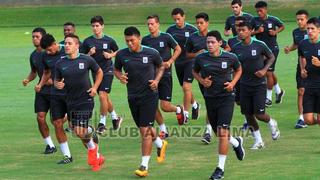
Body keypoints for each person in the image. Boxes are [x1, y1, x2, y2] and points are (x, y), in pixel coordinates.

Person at [114, 26, 167, 177]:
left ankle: (144, 166)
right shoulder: (122, 54)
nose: (129, 43)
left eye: (132, 40)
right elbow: (116, 69)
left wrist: (156, 80)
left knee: (144, 131)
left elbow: (161, 65)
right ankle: (160, 143)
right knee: (145, 129)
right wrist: (120, 77)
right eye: (127, 41)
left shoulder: (151, 53)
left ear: (139, 39)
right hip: (132, 96)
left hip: (149, 96)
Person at [192, 30, 244, 180]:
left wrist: (233, 83)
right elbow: (195, 72)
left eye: (212, 42)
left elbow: (239, 69)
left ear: (220, 43)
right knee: (219, 133)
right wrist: (202, 81)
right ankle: (236, 142)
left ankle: (220, 169)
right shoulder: (201, 58)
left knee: (222, 133)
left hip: (226, 98)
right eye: (207, 42)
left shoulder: (230, 57)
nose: (209, 45)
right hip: (210, 98)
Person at [55, 34, 105, 171]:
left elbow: (100, 72)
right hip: (70, 101)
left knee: (79, 131)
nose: (66, 45)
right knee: (77, 131)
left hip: (86, 100)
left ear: (77, 46)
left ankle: (93, 152)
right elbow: (56, 80)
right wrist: (57, 84)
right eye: (65, 43)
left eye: (70, 43)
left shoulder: (87, 59)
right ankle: (96, 150)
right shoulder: (60, 63)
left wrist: (95, 88)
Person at [232, 22, 280, 149]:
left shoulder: (259, 45)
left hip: (259, 85)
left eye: (243, 30)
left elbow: (271, 57)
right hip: (243, 85)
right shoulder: (236, 48)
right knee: (248, 115)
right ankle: (259, 141)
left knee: (259, 114)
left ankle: (271, 122)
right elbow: (234, 67)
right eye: (239, 30)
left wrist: (264, 70)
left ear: (250, 31)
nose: (240, 32)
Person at [185, 12, 230, 144]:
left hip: (219, 76)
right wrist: (196, 54)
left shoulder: (214, 36)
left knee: (217, 103)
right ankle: (210, 130)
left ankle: (210, 131)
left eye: (201, 23)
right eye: (197, 23)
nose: (199, 25)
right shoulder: (192, 38)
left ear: (207, 23)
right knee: (209, 102)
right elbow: (187, 55)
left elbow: (227, 47)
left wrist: (218, 56)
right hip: (203, 77)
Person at [141, 14, 183, 138]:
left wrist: (170, 61)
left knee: (164, 106)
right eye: (148, 24)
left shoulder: (166, 37)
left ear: (158, 24)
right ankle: (163, 130)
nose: (150, 26)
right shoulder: (145, 40)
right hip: (151, 77)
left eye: (152, 24)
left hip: (165, 75)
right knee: (152, 105)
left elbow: (178, 49)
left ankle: (179, 110)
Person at [35, 34, 72, 164]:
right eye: (47, 50)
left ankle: (91, 142)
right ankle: (67, 155)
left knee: (79, 129)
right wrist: (40, 84)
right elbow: (46, 72)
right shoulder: (45, 55)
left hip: (72, 94)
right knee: (57, 123)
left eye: (50, 49)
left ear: (55, 43)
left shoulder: (68, 50)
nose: (49, 52)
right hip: (56, 94)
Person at [83, 15, 122, 134]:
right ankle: (115, 118)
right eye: (93, 26)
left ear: (102, 26)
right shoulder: (87, 41)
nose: (95, 28)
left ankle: (102, 123)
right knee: (104, 97)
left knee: (101, 95)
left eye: (97, 26)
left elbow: (118, 51)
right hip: (95, 72)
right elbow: (82, 57)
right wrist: (89, 53)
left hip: (107, 70)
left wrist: (110, 55)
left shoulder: (109, 40)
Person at [22, 27, 57, 154]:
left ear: (44, 38)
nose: (34, 39)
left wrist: (54, 81)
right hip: (41, 90)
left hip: (55, 90)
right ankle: (50, 145)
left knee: (55, 120)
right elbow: (34, 72)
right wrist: (27, 79)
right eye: (33, 37)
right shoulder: (33, 55)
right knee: (40, 117)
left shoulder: (52, 53)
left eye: (37, 37)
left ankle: (68, 118)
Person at [166, 8, 199, 122]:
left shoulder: (192, 29)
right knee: (185, 88)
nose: (177, 22)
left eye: (178, 19)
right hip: (178, 62)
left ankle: (185, 113)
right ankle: (195, 104)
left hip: (190, 61)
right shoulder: (170, 30)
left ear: (184, 16)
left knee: (186, 87)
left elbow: (198, 43)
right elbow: (167, 46)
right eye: (174, 19)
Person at [252, 1, 285, 107]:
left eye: (260, 10)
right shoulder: (254, 20)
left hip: (272, 49)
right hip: (261, 50)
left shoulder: (273, 19)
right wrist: (257, 31)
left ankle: (268, 98)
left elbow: (282, 26)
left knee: (268, 73)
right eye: (257, 11)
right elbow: (249, 32)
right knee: (269, 72)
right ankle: (279, 91)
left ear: (266, 9)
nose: (259, 13)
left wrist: (275, 32)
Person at [284, 10, 309, 129]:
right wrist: (290, 48)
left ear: (307, 20)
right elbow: (296, 44)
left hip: (316, 66)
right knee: (301, 91)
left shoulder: (314, 32)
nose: (299, 21)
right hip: (301, 66)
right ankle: (301, 118)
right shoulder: (296, 32)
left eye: (302, 19)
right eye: (297, 19)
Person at [298, 17, 320, 126]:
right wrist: (302, 69)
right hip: (309, 85)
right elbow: (301, 57)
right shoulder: (303, 44)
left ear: (319, 29)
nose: (310, 31)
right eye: (308, 29)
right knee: (308, 120)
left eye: (312, 29)